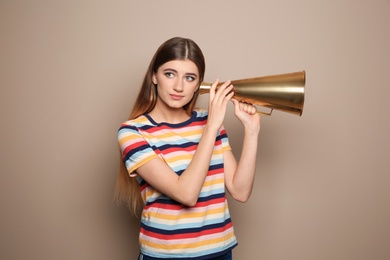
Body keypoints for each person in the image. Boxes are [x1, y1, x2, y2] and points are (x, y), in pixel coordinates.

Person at [115, 37, 261, 260]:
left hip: (219, 252)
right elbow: (186, 194)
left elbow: (240, 191)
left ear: (198, 84)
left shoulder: (209, 121)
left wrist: (252, 132)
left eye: (189, 77)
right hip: (165, 255)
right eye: (169, 74)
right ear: (154, 76)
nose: (179, 86)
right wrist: (211, 128)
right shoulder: (133, 132)